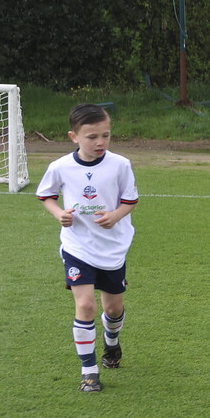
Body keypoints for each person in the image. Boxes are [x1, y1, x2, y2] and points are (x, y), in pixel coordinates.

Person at [36, 104, 138, 392]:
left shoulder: (120, 164)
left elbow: (129, 200)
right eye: (92, 136)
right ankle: (89, 371)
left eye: (105, 135)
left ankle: (112, 343)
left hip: (113, 247)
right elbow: (46, 195)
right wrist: (58, 214)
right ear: (74, 136)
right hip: (78, 246)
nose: (100, 142)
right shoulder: (60, 167)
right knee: (85, 305)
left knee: (114, 308)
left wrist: (115, 216)